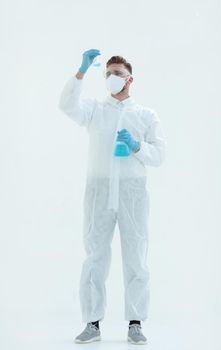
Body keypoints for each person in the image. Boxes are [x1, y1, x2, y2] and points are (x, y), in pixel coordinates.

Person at [58, 48, 166, 345]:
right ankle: (92, 323)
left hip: (133, 194)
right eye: (107, 74)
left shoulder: (145, 115)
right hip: (99, 192)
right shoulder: (94, 110)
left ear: (130, 79)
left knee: (136, 259)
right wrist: (81, 71)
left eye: (117, 74)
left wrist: (137, 146)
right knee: (95, 256)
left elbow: (159, 155)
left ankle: (135, 322)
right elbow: (66, 105)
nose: (111, 78)